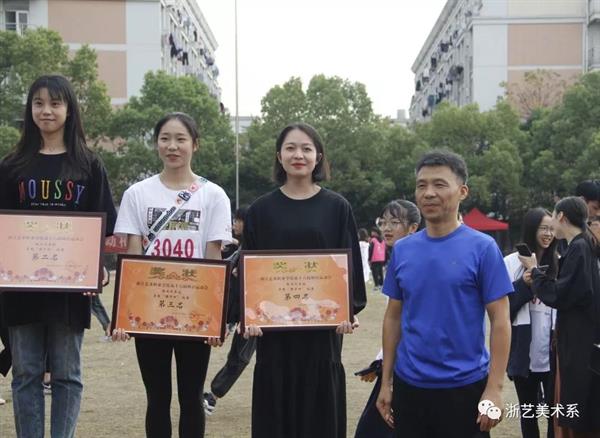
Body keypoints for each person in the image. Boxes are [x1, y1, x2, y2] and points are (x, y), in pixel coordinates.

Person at [0, 75, 117, 437]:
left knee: (67, 374)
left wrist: (98, 267)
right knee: (26, 373)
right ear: (29, 109)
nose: (46, 111)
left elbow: (104, 226)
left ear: (69, 109)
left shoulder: (88, 165)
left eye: (55, 103)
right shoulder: (12, 165)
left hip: (70, 289)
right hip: (21, 288)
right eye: (38, 103)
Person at [242, 122, 366, 438]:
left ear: (318, 157)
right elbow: (249, 272)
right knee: (277, 411)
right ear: (279, 156)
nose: (298, 155)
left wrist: (347, 309)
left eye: (306, 149)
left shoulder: (337, 207)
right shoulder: (260, 210)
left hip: (321, 334)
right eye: (291, 148)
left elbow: (349, 264)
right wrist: (248, 315)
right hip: (274, 336)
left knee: (319, 411)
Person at [112, 112, 232, 438]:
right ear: (156, 144)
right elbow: (133, 256)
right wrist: (126, 315)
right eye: (165, 139)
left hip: (194, 312)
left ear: (195, 144)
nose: (172, 146)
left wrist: (213, 319)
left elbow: (213, 257)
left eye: (181, 139)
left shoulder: (213, 195)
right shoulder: (137, 194)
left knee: (191, 397)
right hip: (151, 311)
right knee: (157, 398)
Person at [377, 150, 513, 438]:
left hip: (465, 387)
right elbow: (393, 318)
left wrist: (494, 388)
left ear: (462, 191)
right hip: (410, 386)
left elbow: (501, 320)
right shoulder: (402, 250)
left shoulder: (483, 248)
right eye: (422, 185)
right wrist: (386, 381)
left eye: (439, 184)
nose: (428, 193)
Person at [519, 197, 600, 438]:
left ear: (561, 216)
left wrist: (535, 271)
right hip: (581, 338)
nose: (551, 227)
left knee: (574, 408)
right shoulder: (583, 245)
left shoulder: (579, 247)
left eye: (553, 218)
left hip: (577, 341)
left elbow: (560, 294)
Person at [355, 200, 420, 438]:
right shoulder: (399, 257)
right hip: (396, 361)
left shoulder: (415, 259)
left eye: (395, 222)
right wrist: (381, 360)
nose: (387, 228)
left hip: (410, 363)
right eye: (383, 222)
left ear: (413, 228)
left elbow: (407, 319)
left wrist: (385, 363)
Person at [504, 208, 557, 438]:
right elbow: (502, 309)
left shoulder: (559, 263)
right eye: (543, 228)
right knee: (528, 413)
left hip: (552, 350)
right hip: (523, 351)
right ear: (532, 229)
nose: (548, 234)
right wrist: (524, 286)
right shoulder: (509, 263)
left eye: (552, 229)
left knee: (555, 413)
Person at [203, 206, 257, 416]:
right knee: (239, 356)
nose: (235, 224)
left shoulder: (254, 250)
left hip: (252, 316)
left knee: (240, 356)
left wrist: (243, 319)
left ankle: (213, 396)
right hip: (238, 314)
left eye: (238, 221)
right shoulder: (242, 247)